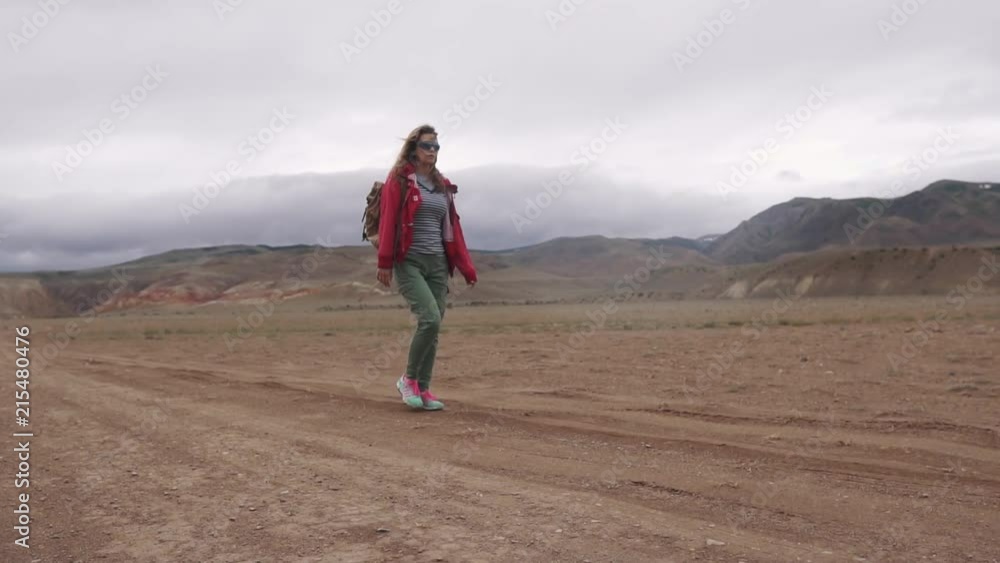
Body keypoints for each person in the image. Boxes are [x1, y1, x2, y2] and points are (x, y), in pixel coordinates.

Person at [376, 124, 477, 410]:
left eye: (436, 147)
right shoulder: (400, 180)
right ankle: (408, 380)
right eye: (426, 146)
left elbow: (454, 229)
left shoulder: (442, 185)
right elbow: (388, 221)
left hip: (438, 262)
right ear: (413, 148)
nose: (432, 151)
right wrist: (384, 261)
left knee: (434, 325)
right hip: (409, 260)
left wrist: (467, 268)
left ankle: (423, 387)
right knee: (430, 318)